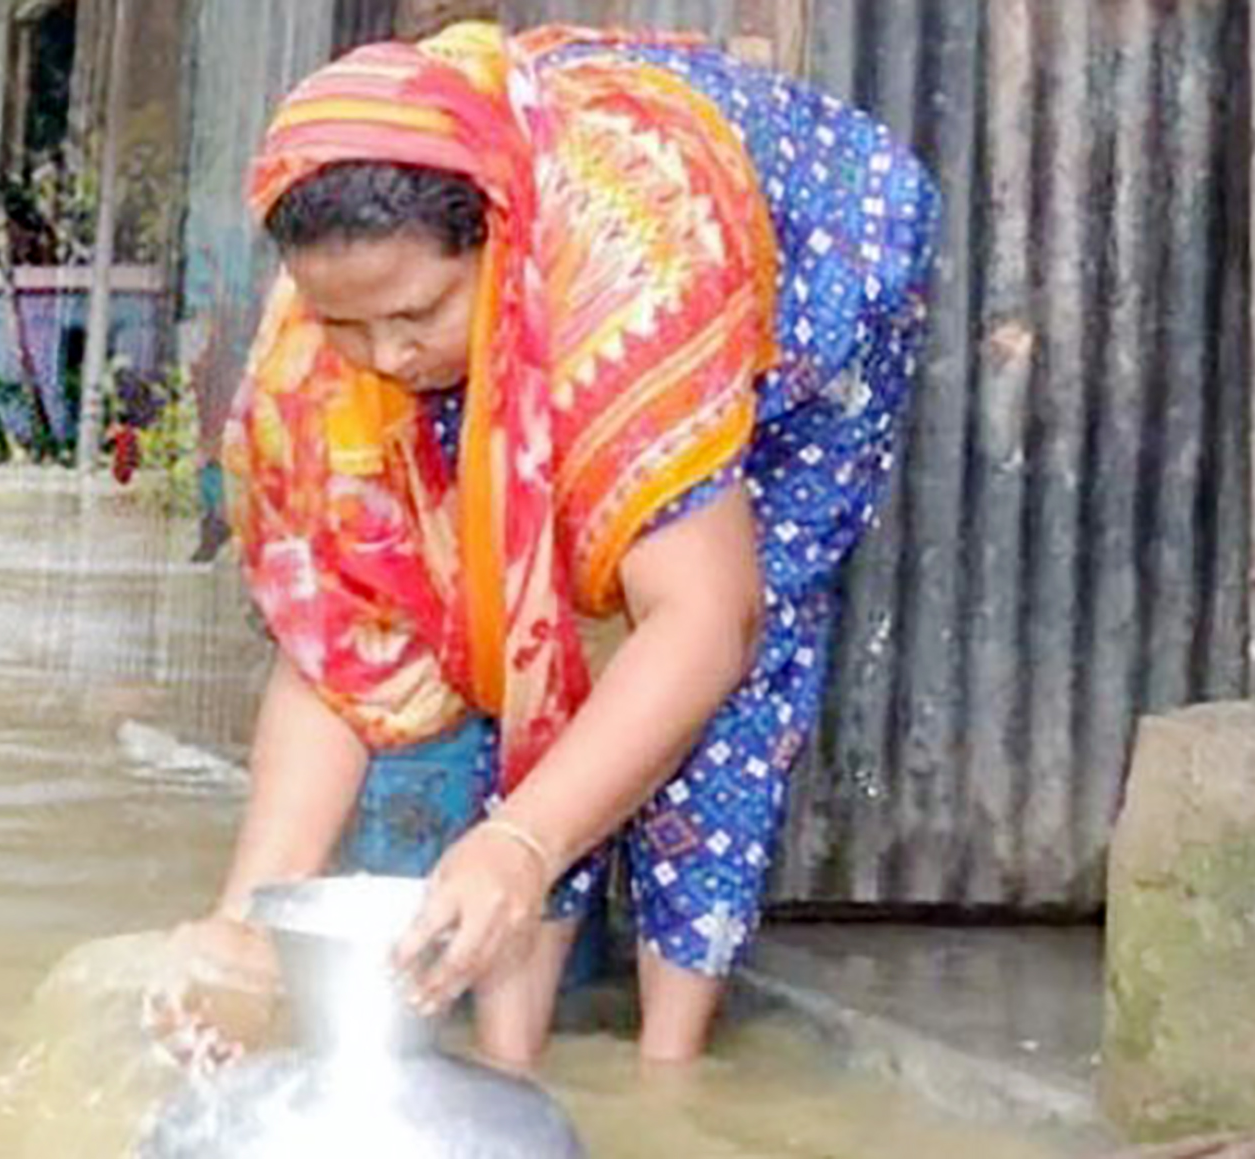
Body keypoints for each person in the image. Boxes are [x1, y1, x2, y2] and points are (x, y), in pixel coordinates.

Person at [171, 22, 938, 1070]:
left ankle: (670, 1068)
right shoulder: (321, 338)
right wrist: (245, 927)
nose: (385, 355)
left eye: (416, 314)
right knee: (516, 612)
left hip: (817, 272)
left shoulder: (629, 276)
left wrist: (522, 841)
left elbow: (710, 619)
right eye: (349, 325)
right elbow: (338, 637)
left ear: (498, 236)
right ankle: (508, 1072)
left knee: (729, 639)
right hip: (572, 278)